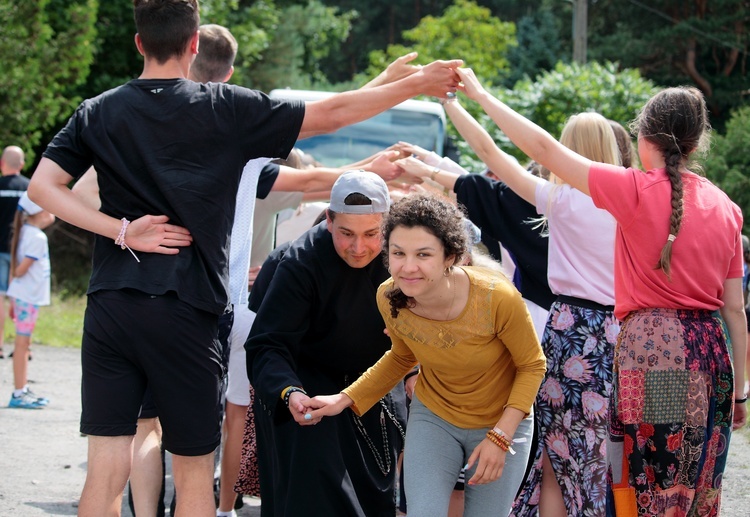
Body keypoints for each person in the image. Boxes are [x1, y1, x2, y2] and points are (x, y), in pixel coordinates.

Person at [26, 1, 461, 515]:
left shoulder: (98, 109)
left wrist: (122, 232)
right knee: (191, 472)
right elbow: (331, 113)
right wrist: (414, 83)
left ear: (139, 43)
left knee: (105, 466)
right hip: (185, 310)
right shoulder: (223, 108)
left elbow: (43, 187)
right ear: (194, 46)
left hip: (109, 307)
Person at [454, 67, 747, 515]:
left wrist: (480, 93)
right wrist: (741, 392)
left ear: (643, 138)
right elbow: (735, 311)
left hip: (654, 350)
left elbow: (541, 149)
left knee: (650, 476)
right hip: (711, 355)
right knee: (697, 479)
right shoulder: (727, 207)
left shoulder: (632, 189)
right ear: (695, 143)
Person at [425, 94, 621, 516]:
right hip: (619, 333)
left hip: (569, 330)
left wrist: (454, 102)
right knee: (602, 459)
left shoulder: (559, 201)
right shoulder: (632, 203)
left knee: (552, 458)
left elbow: (488, 153)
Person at [304, 193, 545, 517]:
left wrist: (501, 436)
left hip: (502, 421)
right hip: (435, 417)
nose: (408, 267)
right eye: (398, 253)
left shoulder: (496, 296)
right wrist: (343, 399)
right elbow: (402, 356)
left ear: (452, 256)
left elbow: (532, 365)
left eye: (423, 254)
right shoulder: (389, 296)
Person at [244, 171, 411, 516]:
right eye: (346, 234)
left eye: (371, 234)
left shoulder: (404, 257)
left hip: (374, 379)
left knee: (373, 497)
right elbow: (267, 345)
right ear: (330, 220)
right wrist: (289, 392)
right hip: (305, 382)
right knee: (315, 491)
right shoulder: (299, 261)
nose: (358, 247)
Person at [7, 193, 54, 409]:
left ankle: (22, 388)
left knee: (24, 344)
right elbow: (19, 270)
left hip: (23, 297)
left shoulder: (26, 232)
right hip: (27, 297)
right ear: (40, 212)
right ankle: (18, 392)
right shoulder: (36, 237)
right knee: (22, 344)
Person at [0, 146, 29, 360]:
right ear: (22, 164)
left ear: (2, 163)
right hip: (24, 252)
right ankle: (24, 347)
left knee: (0, 297)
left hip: (0, 250)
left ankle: (0, 345)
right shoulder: (30, 188)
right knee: (24, 299)